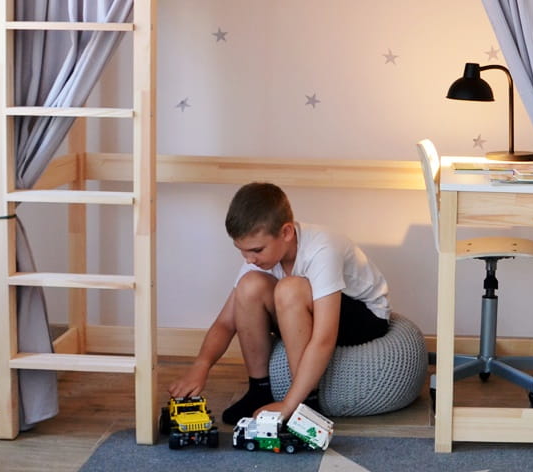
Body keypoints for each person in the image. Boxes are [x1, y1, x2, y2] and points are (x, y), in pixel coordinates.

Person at [167, 182, 390, 424]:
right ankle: (260, 390)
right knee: (249, 285)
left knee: (289, 288)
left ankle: (307, 405)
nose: (249, 259)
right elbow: (226, 323)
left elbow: (324, 338)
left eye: (256, 250)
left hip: (365, 316)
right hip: (307, 309)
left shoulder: (322, 249)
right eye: (242, 251)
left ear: (286, 233)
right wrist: (201, 366)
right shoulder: (260, 258)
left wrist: (288, 404)